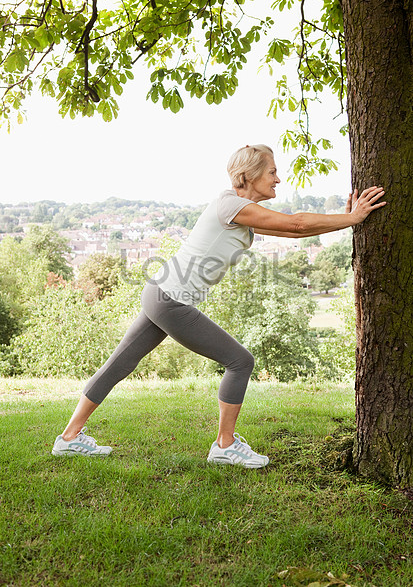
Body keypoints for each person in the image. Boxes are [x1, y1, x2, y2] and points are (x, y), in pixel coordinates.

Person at [52, 144, 386, 467]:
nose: (277, 179)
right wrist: (355, 218)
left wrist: (345, 220)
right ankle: (225, 445)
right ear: (250, 175)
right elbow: (295, 223)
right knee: (240, 361)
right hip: (171, 300)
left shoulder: (241, 211)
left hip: (160, 293)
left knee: (119, 364)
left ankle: (68, 438)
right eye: (272, 172)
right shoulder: (231, 205)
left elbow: (296, 232)